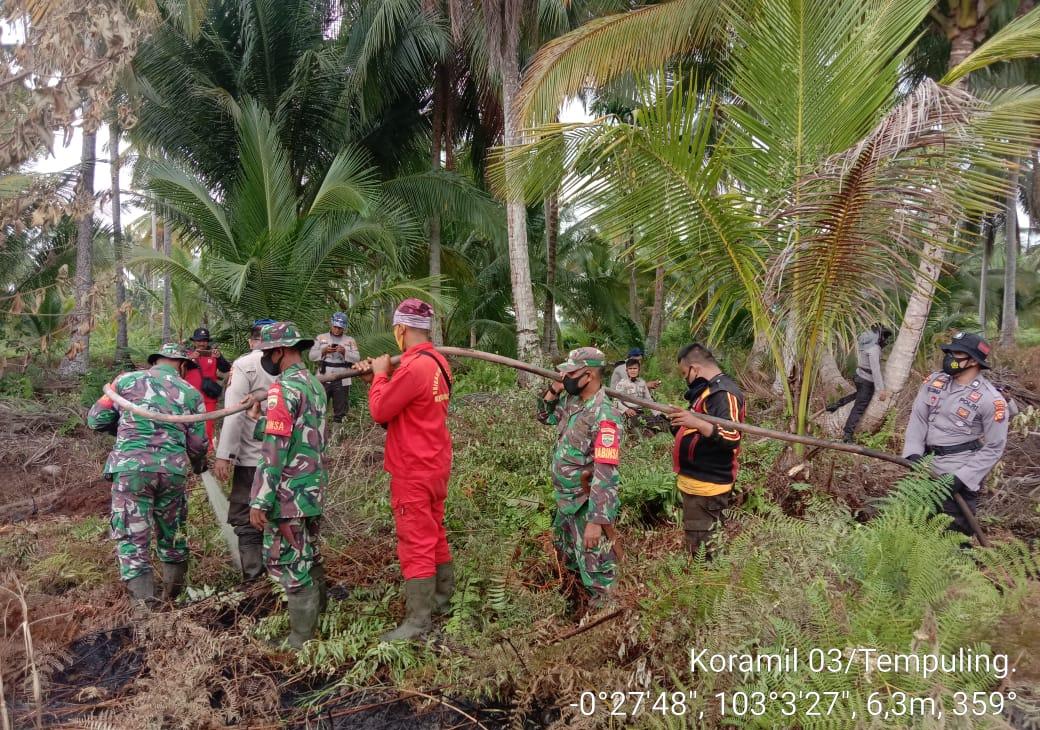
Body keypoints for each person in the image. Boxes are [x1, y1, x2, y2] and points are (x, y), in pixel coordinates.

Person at [356, 299, 454, 641]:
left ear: (401, 329)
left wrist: (381, 375)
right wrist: (379, 376)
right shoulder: (438, 361)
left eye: (395, 329)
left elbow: (381, 411)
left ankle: (418, 622)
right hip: (436, 463)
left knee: (416, 541)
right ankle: (442, 599)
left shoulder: (414, 368)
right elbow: (409, 405)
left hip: (413, 469)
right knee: (434, 532)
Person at [86, 343, 209, 611]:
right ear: (184, 365)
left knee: (132, 539)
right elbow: (198, 444)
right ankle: (173, 603)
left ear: (155, 361)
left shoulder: (125, 381)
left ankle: (145, 611)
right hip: (172, 473)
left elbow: (95, 420)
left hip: (131, 472)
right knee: (173, 535)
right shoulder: (190, 393)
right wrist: (200, 466)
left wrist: (122, 429)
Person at [247, 322, 329, 649]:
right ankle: (320, 623)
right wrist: (261, 422)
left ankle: (300, 640)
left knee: (290, 564)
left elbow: (275, 449)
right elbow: (299, 429)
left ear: (279, 351)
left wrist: (259, 499)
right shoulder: (314, 385)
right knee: (309, 555)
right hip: (312, 489)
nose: (266, 358)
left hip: (288, 493)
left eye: (268, 353)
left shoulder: (281, 389)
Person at [537, 347, 623, 611]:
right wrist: (554, 390)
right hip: (566, 502)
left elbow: (606, 472)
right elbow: (544, 416)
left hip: (586, 505)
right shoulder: (571, 402)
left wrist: (597, 521)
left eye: (570, 373)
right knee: (568, 561)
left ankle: (604, 621)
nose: (565, 377)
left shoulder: (605, 415)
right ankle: (575, 607)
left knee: (598, 572)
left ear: (588, 375)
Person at [902, 332, 1009, 537]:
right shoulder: (935, 381)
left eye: (957, 353)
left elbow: (995, 446)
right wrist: (913, 454)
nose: (950, 356)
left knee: (953, 538)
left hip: (957, 472)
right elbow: (919, 418)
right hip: (924, 468)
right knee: (918, 532)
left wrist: (961, 478)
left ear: (973, 361)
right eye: (950, 351)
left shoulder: (990, 400)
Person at [213, 319, 276, 581]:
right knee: (276, 514)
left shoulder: (244, 365)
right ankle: (279, 577)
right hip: (283, 457)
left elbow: (235, 414)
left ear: (252, 341)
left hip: (251, 459)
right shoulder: (290, 366)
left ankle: (254, 577)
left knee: (245, 518)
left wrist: (224, 454)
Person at [668, 344, 745, 558]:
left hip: (708, 486)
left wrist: (695, 422)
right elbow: (698, 426)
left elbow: (732, 436)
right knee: (697, 539)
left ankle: (707, 584)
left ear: (695, 369)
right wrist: (681, 422)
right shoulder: (706, 391)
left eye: (685, 374)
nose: (686, 380)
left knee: (704, 549)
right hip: (697, 484)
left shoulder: (724, 393)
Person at [827, 324, 892, 442]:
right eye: (884, 337)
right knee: (859, 407)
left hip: (858, 376)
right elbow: (875, 369)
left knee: (859, 395)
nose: (885, 340)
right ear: (879, 336)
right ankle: (847, 434)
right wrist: (880, 389)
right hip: (867, 380)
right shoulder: (875, 349)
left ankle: (837, 404)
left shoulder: (865, 344)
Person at [309, 312, 361, 423]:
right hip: (324, 376)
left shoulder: (350, 340)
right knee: (318, 408)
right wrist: (323, 351)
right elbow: (311, 356)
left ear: (344, 328)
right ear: (331, 324)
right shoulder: (320, 337)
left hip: (343, 377)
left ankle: (336, 437)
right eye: (335, 327)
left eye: (340, 328)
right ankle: (316, 435)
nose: (337, 330)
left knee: (340, 411)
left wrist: (344, 352)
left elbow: (357, 358)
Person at [185, 327, 231, 445]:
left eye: (204, 340)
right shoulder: (187, 355)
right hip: (189, 396)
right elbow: (179, 370)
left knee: (208, 425)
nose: (202, 343)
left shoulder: (214, 354)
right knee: (187, 423)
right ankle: (188, 447)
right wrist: (189, 359)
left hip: (208, 396)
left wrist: (219, 357)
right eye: (199, 340)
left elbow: (226, 368)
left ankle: (208, 448)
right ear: (194, 341)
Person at [611, 358, 669, 435]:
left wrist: (658, 414)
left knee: (662, 421)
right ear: (626, 371)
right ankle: (642, 432)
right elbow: (615, 401)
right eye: (630, 369)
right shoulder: (622, 384)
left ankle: (653, 430)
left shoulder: (642, 383)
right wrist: (626, 410)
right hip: (628, 415)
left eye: (635, 368)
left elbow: (649, 401)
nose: (633, 370)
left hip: (640, 414)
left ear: (639, 370)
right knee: (636, 424)